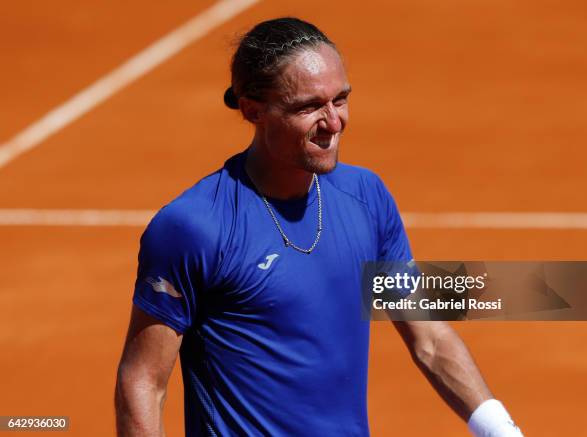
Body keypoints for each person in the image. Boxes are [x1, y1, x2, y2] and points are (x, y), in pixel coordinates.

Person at [115, 17, 522, 437]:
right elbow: (142, 381)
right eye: (309, 107)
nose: (333, 122)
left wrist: (500, 430)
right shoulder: (195, 227)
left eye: (340, 99)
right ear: (253, 110)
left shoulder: (366, 195)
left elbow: (430, 337)